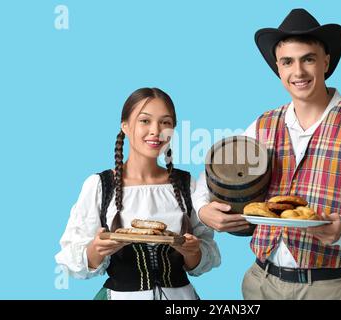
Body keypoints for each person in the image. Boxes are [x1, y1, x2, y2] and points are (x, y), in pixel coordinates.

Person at [192, 8, 341, 300]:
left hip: (330, 287)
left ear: (325, 61)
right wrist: (204, 211)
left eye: (308, 59)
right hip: (260, 282)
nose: (298, 72)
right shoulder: (262, 125)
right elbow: (207, 182)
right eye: (287, 62)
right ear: (278, 69)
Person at [55, 87, 220, 300]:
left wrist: (192, 252)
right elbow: (73, 261)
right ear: (125, 126)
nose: (156, 130)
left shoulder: (187, 185)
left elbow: (202, 259)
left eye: (165, 122)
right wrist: (97, 248)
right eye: (145, 121)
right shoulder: (100, 186)